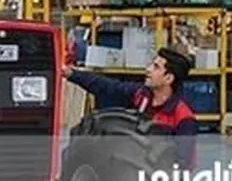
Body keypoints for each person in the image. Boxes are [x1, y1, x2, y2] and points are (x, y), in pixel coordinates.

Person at [63, 46, 199, 168]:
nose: (148, 69)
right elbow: (107, 87)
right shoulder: (141, 96)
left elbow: (182, 164)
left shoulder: (183, 117)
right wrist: (71, 74)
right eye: (151, 64)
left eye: (156, 67)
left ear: (168, 78)